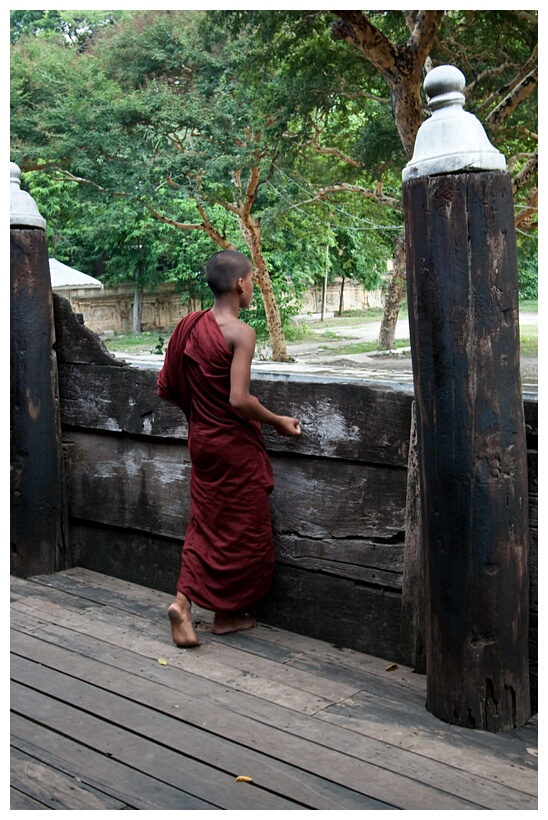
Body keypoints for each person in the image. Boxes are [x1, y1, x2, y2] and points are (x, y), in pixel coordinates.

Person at [157, 249, 301, 647]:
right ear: (239, 284)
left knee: (204, 524)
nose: (252, 286)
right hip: (233, 447)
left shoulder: (189, 325)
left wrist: (201, 411)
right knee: (245, 528)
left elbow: (168, 387)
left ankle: (201, 608)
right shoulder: (241, 333)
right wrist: (277, 421)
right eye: (252, 279)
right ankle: (209, 609)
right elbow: (239, 400)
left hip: (202, 441)